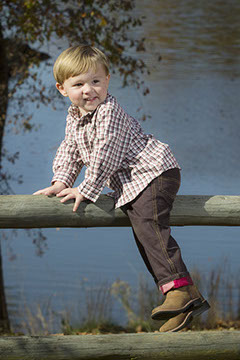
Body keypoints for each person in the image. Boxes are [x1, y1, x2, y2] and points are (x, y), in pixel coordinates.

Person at [33, 45, 210, 332]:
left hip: (154, 172)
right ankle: (184, 298)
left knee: (149, 225)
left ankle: (178, 290)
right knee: (144, 237)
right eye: (78, 84)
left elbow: (106, 154)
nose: (89, 90)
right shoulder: (75, 118)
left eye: (96, 81)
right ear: (62, 89)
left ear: (108, 80)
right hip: (133, 182)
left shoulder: (108, 112)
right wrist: (61, 182)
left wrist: (86, 189)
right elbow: (69, 150)